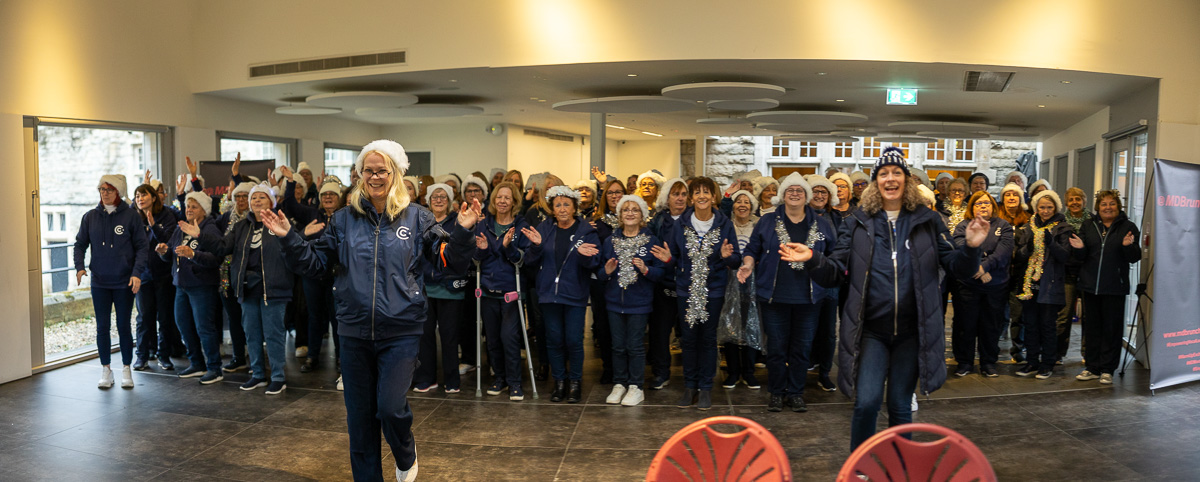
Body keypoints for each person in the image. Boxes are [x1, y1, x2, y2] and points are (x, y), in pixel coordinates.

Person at [263, 140, 480, 482]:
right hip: (353, 330)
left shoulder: (418, 216)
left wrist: (463, 233)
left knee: (390, 408)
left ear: (395, 173)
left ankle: (405, 453)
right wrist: (290, 238)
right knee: (360, 420)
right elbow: (317, 264)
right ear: (360, 174)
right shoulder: (344, 220)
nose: (375, 176)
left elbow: (448, 263)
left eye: (383, 170)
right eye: (369, 170)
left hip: (402, 330)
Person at [784, 147, 986, 451]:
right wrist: (813, 258)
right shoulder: (857, 222)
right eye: (883, 174)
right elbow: (835, 272)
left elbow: (957, 268)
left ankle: (898, 467)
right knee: (866, 403)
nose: (890, 178)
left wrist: (971, 248)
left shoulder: (928, 221)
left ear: (907, 180)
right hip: (870, 332)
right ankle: (861, 468)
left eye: (896, 173)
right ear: (876, 182)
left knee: (900, 404)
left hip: (911, 331)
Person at [186, 182, 298, 395]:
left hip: (273, 289)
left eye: (262, 198)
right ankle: (257, 375)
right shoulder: (240, 227)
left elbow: (295, 249)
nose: (256, 201)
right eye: (253, 198)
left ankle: (278, 377)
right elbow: (222, 247)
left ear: (271, 202)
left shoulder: (282, 223)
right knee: (252, 333)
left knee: (273, 334)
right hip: (247, 288)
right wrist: (199, 235)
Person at [737, 173, 836, 412]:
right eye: (790, 190)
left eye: (799, 190)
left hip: (810, 297)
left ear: (807, 196)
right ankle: (776, 392)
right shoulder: (767, 221)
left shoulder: (822, 224)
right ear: (782, 196)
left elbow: (833, 257)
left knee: (802, 348)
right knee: (777, 348)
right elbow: (752, 249)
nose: (794, 193)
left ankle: (796, 392)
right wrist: (748, 264)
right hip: (774, 296)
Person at [661, 177, 739, 411]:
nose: (702, 196)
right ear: (691, 198)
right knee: (688, 339)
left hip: (713, 290)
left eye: (707, 192)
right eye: (697, 192)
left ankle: (705, 388)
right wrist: (667, 260)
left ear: (714, 197)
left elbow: (735, 260)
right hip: (686, 290)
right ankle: (689, 386)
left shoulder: (724, 223)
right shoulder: (680, 224)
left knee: (707, 340)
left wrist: (728, 257)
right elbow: (672, 258)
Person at [521, 185, 600, 403]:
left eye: (566, 204)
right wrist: (536, 246)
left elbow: (594, 262)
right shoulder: (544, 229)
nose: (562, 208)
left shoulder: (586, 231)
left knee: (573, 340)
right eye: (558, 205)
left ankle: (575, 383)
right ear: (552, 209)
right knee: (553, 340)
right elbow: (529, 260)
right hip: (548, 294)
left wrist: (585, 256)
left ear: (575, 207)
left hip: (574, 295)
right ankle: (559, 382)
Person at [75, 174, 147, 389]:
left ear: (119, 192)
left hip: (124, 282)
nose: (104, 193)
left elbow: (142, 248)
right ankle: (106, 369)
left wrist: (137, 273)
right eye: (101, 189)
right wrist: (80, 267)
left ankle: (126, 368)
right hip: (100, 282)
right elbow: (80, 245)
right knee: (102, 327)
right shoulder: (90, 217)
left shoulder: (131, 217)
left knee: (124, 326)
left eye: (109, 189)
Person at [1070, 190, 1140, 385]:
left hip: (1114, 287)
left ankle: (1108, 369)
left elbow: (1135, 256)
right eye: (1104, 204)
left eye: (1112, 204)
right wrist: (1079, 248)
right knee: (1092, 328)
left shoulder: (1128, 227)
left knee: (1111, 329)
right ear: (1097, 208)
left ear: (1118, 206)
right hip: (1090, 286)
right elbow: (1080, 257)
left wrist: (1127, 246)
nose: (1108, 207)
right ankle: (1092, 367)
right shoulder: (1088, 225)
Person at [600, 195, 664, 406]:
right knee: (618, 345)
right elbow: (600, 273)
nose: (629, 213)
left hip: (639, 303)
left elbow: (660, 273)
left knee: (635, 345)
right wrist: (606, 272)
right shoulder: (610, 241)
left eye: (635, 210)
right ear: (619, 215)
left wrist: (646, 269)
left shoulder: (651, 240)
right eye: (625, 209)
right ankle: (619, 383)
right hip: (614, 302)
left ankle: (636, 386)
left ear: (642, 215)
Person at [158, 191, 224, 384]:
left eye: (194, 207)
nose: (189, 209)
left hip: (202, 285)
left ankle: (214, 368)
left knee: (204, 327)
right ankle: (197, 363)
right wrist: (163, 252)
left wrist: (193, 254)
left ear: (204, 210)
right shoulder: (182, 228)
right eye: (188, 206)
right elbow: (171, 252)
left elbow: (216, 258)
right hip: (181, 285)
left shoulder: (209, 229)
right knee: (184, 326)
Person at [410, 183, 469, 394]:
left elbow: (462, 253)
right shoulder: (420, 221)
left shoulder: (458, 222)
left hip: (450, 287)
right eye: (434, 196)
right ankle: (426, 378)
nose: (438, 200)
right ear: (427, 200)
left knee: (450, 336)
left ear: (450, 200)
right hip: (425, 287)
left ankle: (452, 381)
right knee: (425, 335)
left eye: (443, 196)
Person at [474, 181, 528, 401]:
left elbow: (521, 260)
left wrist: (508, 247)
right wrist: (484, 251)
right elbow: (475, 260)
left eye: (507, 198)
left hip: (510, 291)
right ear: (493, 201)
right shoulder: (483, 225)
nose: (502, 201)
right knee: (493, 339)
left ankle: (515, 382)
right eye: (499, 197)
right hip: (487, 290)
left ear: (514, 202)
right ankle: (500, 378)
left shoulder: (520, 226)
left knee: (510, 338)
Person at [951, 191, 1012, 378]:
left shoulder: (1004, 226)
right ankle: (964, 362)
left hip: (996, 285)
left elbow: (1003, 251)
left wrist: (983, 267)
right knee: (965, 325)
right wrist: (977, 268)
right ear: (972, 207)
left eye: (986, 203)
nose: (983, 206)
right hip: (967, 285)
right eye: (978, 204)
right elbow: (961, 246)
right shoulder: (963, 226)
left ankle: (988, 362)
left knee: (991, 325)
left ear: (993, 206)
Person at [1013, 189, 1073, 379]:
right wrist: (1027, 248)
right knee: (1030, 324)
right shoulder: (1028, 227)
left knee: (1047, 325)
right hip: (1030, 284)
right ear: (1036, 208)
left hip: (1051, 284)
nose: (1045, 211)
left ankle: (1047, 363)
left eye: (1049, 207)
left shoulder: (1063, 228)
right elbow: (1018, 256)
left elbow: (1065, 256)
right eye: (1042, 207)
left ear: (1055, 207)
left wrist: (1051, 243)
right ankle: (1032, 362)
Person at [297, 180, 346, 383]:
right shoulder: (312, 215)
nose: (328, 197)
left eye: (332, 195)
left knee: (337, 318)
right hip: (313, 275)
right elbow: (299, 240)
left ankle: (342, 359)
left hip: (337, 275)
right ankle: (312, 356)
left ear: (339, 198)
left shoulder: (346, 217)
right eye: (324, 194)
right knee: (315, 317)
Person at [132, 183, 182, 371]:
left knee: (165, 317)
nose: (140, 199)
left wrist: (153, 225)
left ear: (154, 198)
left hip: (163, 274)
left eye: (144, 195)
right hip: (143, 275)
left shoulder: (166, 214)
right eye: (137, 196)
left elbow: (168, 240)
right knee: (144, 317)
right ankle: (142, 356)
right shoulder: (133, 217)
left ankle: (164, 355)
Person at [646, 178, 689, 390]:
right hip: (662, 284)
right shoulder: (658, 220)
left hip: (688, 286)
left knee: (689, 335)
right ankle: (661, 373)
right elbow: (649, 246)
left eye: (683, 194)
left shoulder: (694, 219)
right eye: (675, 194)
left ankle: (692, 376)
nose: (680, 198)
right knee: (660, 333)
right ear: (667, 198)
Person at [720, 189, 762, 391]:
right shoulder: (726, 226)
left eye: (747, 202)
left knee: (751, 325)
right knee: (730, 326)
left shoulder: (759, 226)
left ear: (752, 207)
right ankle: (733, 371)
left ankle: (749, 372)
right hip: (728, 282)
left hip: (753, 283)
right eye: (738, 201)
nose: (742, 205)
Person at [805, 174, 842, 392]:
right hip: (806, 280)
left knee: (828, 331)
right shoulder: (801, 216)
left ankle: (825, 373)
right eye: (815, 191)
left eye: (823, 192)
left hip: (830, 283)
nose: (819, 196)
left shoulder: (837, 219)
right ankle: (805, 366)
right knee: (806, 328)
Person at [1057, 187, 1091, 361]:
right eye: (1071, 199)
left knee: (1088, 316)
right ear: (1066, 202)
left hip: (1087, 274)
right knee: (1064, 316)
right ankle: (1058, 353)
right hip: (1067, 273)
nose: (1075, 202)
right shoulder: (1061, 222)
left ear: (1084, 201)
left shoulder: (1092, 221)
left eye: (1078, 199)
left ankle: (1087, 353)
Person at [998, 182, 1031, 363]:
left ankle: (1017, 349)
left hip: (1019, 274)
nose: (1011, 198)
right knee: (996, 313)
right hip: (998, 274)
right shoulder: (995, 218)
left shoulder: (1028, 219)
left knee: (1018, 314)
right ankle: (991, 347)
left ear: (1021, 199)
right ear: (1002, 199)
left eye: (1015, 195)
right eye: (1008, 195)